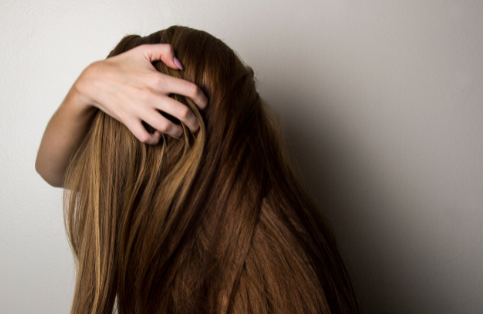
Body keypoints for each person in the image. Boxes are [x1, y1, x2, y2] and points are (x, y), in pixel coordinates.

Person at [36, 25, 359, 314]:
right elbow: (52, 169)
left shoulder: (211, 294)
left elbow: (56, 171)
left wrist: (86, 87)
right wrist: (86, 88)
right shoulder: (283, 247)